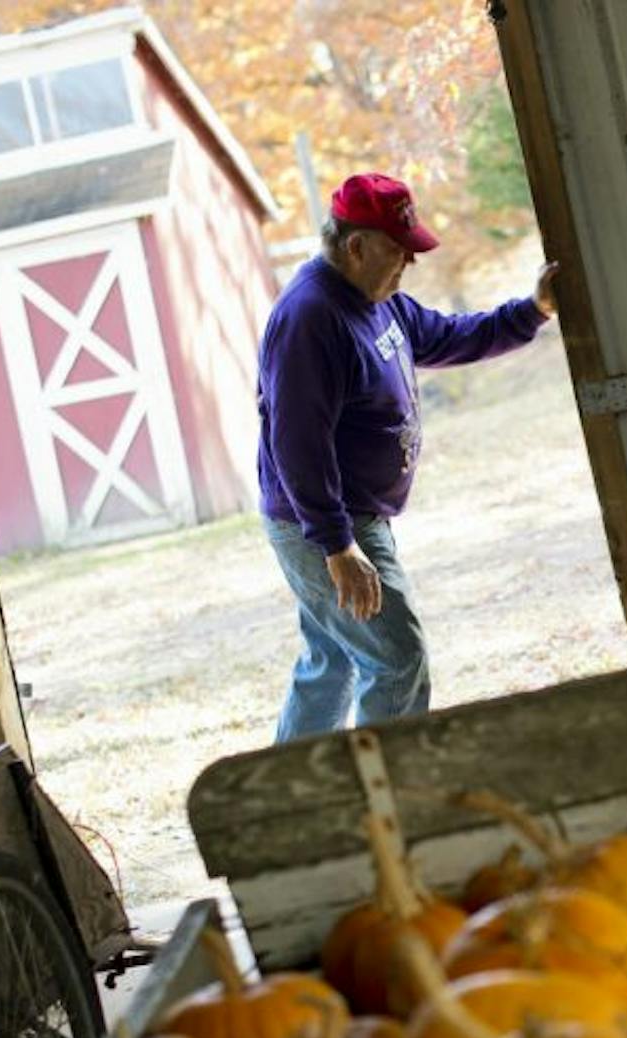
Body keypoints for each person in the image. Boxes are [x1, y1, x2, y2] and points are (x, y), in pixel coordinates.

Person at [258, 171, 558, 741]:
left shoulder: (380, 301)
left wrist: (534, 311)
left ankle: (291, 802)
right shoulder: (311, 318)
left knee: (335, 661)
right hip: (323, 525)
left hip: (351, 518)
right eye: (398, 251)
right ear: (356, 246)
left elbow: (449, 336)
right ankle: (384, 805)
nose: (408, 265)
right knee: (397, 658)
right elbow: (295, 444)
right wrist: (338, 545)